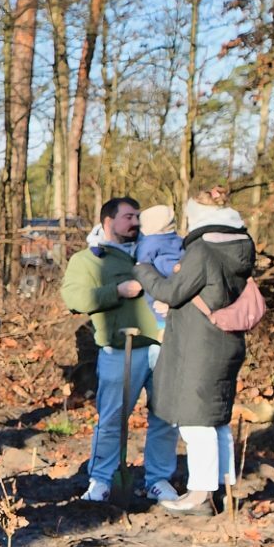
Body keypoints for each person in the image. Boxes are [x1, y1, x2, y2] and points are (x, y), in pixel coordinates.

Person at [136, 191, 258, 517]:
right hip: (227, 340)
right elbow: (211, 290)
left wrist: (144, 269)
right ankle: (224, 490)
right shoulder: (241, 245)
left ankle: (200, 495)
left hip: (199, 346)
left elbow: (172, 291)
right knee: (217, 419)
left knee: (195, 421)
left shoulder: (203, 249)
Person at [61, 197, 177, 504]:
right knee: (112, 418)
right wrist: (116, 291)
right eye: (129, 217)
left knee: (165, 416)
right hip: (118, 350)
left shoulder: (153, 249)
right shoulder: (89, 260)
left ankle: (159, 479)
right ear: (108, 222)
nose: (136, 222)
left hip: (163, 345)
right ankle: (101, 480)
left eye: (138, 216)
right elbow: (74, 298)